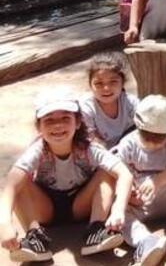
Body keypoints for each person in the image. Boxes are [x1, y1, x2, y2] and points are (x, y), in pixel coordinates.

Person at [0, 94, 133, 263]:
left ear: (77, 122)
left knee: (107, 172)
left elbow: (124, 174)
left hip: (80, 205)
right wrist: (4, 224)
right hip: (45, 208)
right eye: (49, 120)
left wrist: (118, 209)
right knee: (20, 180)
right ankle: (36, 238)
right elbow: (10, 185)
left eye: (65, 118)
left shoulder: (89, 148)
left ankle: (95, 230)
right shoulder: (37, 150)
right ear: (39, 127)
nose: (58, 125)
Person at [114, 95, 166, 264]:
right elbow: (118, 174)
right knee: (119, 212)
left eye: (159, 137)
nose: (152, 142)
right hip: (141, 204)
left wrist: (157, 181)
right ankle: (144, 240)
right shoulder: (128, 144)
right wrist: (129, 195)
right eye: (147, 135)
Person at [79, 52, 140, 149]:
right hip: (101, 154)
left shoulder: (129, 102)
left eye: (113, 82)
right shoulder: (86, 108)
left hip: (127, 149)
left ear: (122, 83)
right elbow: (93, 140)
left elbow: (145, 125)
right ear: (90, 85)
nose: (106, 88)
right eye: (99, 83)